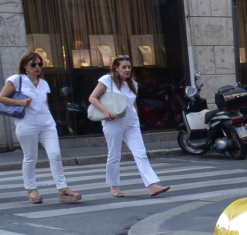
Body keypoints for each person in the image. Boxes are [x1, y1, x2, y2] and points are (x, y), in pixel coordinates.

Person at [0, 51, 81, 204]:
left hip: (47, 124)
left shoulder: (43, 83)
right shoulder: (17, 80)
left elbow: (45, 103)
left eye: (40, 64)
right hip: (27, 124)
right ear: (25, 66)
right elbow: (1, 97)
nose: (37, 67)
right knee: (31, 157)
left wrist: (50, 118)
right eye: (33, 64)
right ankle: (31, 189)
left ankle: (62, 188)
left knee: (55, 155)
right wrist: (20, 103)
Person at [89, 55, 169, 197]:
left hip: (131, 123)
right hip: (113, 122)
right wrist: (105, 111)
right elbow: (92, 97)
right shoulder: (107, 80)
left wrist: (137, 117)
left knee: (140, 153)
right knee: (114, 155)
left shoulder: (133, 83)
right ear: (116, 68)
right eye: (124, 67)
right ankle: (114, 186)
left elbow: (133, 104)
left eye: (129, 67)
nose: (127, 70)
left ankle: (152, 185)